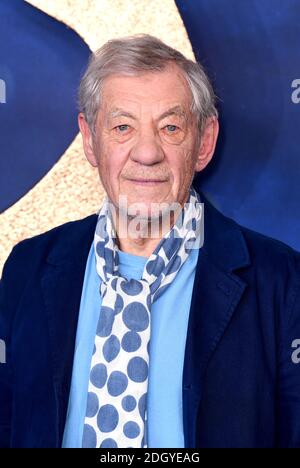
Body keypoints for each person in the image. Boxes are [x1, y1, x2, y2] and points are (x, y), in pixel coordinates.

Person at [1, 34, 300, 449]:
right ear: (90, 139)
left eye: (170, 127)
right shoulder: (26, 269)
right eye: (122, 126)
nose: (146, 153)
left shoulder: (281, 281)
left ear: (204, 142)